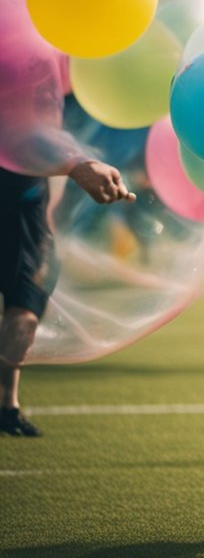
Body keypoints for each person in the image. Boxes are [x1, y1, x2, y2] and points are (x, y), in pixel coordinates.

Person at [1, 159, 136, 437]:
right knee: (22, 313)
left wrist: (79, 164)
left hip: (28, 212)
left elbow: (35, 138)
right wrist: (78, 165)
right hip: (24, 205)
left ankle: (8, 407)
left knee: (25, 311)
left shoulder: (36, 120)